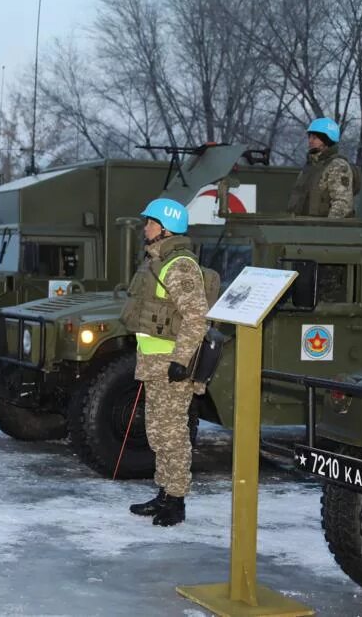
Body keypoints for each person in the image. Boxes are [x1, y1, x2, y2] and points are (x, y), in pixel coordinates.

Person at [119, 198, 208, 526]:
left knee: (172, 433)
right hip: (155, 361)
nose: (146, 227)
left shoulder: (180, 265)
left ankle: (177, 500)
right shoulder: (158, 260)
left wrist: (181, 360)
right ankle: (165, 492)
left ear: (165, 228)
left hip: (172, 362)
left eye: (150, 223)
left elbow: (196, 317)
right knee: (158, 431)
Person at [287, 117, 359, 219]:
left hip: (322, 230)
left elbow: (342, 205)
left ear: (327, 140)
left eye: (315, 138)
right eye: (310, 137)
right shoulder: (311, 166)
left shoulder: (337, 166)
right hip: (304, 228)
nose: (310, 141)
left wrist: (327, 229)